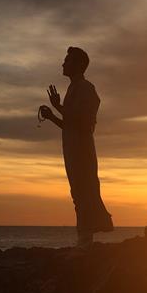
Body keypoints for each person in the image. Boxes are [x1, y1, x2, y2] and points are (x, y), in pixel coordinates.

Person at [40, 47, 113, 248]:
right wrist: (52, 115)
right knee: (78, 193)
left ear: (79, 65)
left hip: (82, 150)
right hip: (73, 149)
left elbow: (83, 124)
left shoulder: (86, 89)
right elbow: (70, 124)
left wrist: (58, 108)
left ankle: (85, 240)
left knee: (85, 191)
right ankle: (84, 238)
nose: (63, 64)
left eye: (68, 61)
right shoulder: (74, 89)